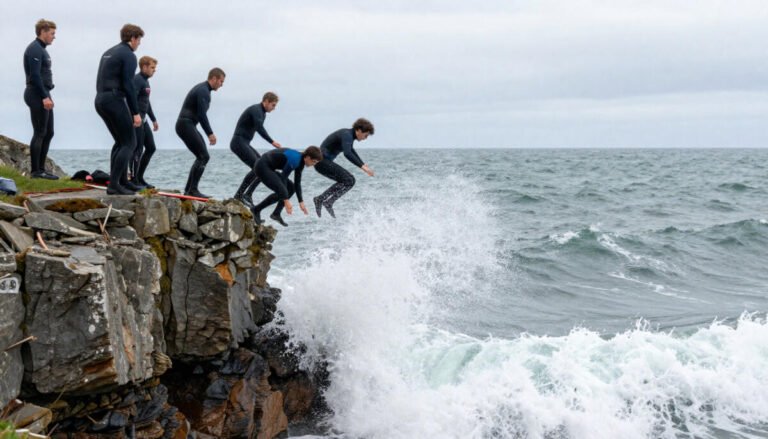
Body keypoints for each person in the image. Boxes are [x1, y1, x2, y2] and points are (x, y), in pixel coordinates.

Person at [94, 24, 144, 195]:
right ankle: (114, 184)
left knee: (120, 142)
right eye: (139, 40)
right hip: (114, 99)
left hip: (100, 99)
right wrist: (135, 113)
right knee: (130, 142)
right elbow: (128, 85)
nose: (139, 44)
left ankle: (122, 181)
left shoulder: (109, 52)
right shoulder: (129, 55)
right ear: (133, 38)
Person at [176, 68, 225, 198]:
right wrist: (210, 133)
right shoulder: (203, 91)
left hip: (187, 124)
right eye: (221, 81)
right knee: (204, 156)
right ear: (214, 78)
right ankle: (192, 190)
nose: (222, 84)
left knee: (202, 156)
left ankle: (189, 190)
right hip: (185, 124)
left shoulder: (204, 89)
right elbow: (201, 115)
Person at [312, 118, 375, 218]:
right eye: (366, 135)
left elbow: (351, 150)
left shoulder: (349, 136)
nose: (365, 138)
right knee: (349, 180)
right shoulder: (347, 135)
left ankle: (327, 201)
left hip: (322, 163)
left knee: (349, 181)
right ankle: (322, 199)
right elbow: (347, 153)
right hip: (322, 162)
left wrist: (363, 164)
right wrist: (362, 167)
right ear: (359, 130)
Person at [231, 92, 282, 208]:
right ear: (266, 101)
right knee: (258, 167)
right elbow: (259, 128)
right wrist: (272, 141)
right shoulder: (256, 110)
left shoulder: (262, 113)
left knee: (264, 166)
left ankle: (247, 195)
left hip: (244, 143)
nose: (274, 108)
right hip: (238, 142)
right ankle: (239, 195)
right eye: (273, 105)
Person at [250, 146, 323, 226]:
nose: (313, 164)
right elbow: (283, 178)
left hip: (269, 168)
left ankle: (276, 213)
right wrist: (286, 201)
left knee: (291, 188)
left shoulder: (301, 161)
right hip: (262, 167)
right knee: (283, 191)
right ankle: (256, 210)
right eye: (314, 161)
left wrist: (301, 201)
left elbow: (297, 183)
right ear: (308, 157)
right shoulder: (295, 160)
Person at [23, 19, 58, 180]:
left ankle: (42, 169)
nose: (54, 37)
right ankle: (36, 171)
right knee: (40, 132)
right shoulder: (34, 49)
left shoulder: (42, 50)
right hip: (36, 94)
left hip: (44, 92)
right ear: (43, 32)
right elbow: (35, 76)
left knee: (49, 132)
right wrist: (44, 96)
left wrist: (47, 94)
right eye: (52, 33)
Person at [130, 56, 159, 189]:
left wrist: (153, 119)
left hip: (144, 119)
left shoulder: (146, 81)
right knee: (138, 149)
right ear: (144, 67)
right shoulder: (137, 80)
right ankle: (133, 180)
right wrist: (135, 116)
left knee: (151, 147)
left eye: (155, 68)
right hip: (136, 119)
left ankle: (140, 177)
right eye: (152, 67)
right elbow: (132, 99)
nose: (154, 70)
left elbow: (146, 102)